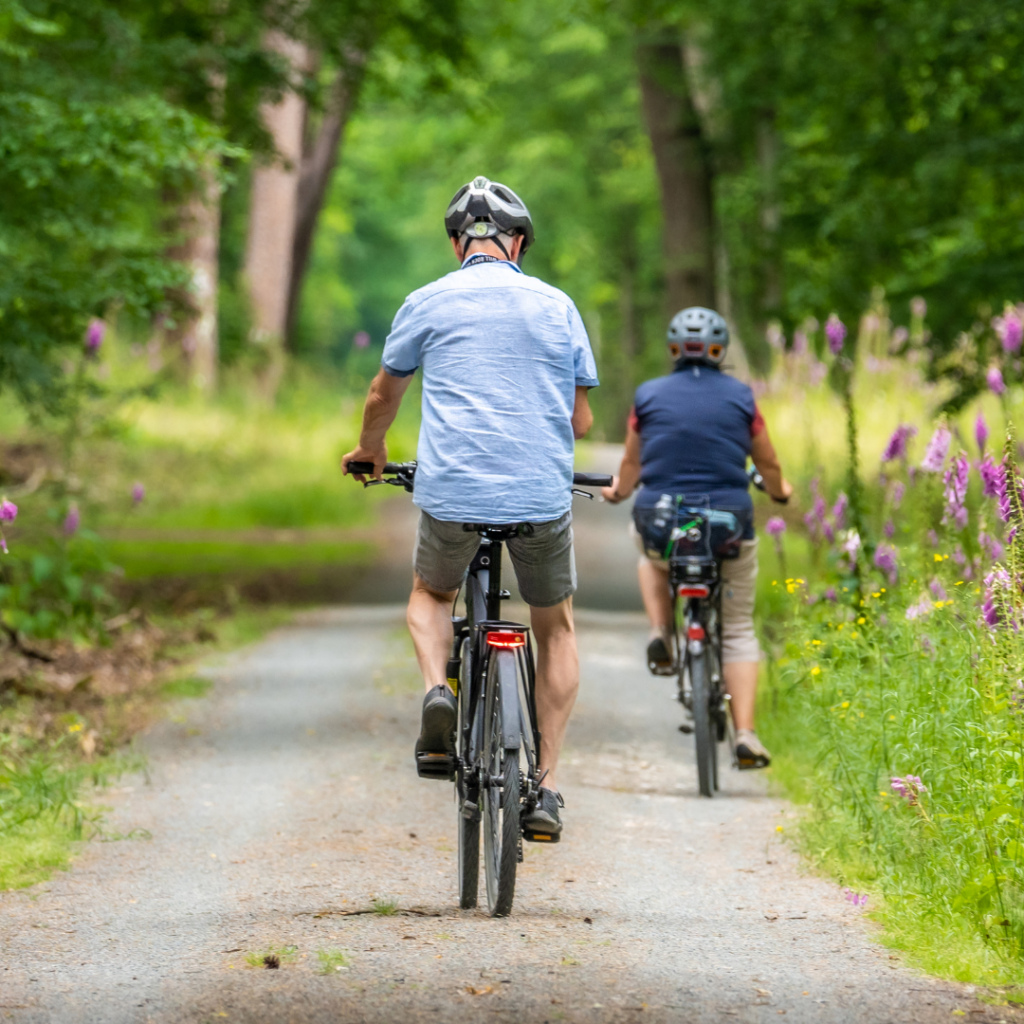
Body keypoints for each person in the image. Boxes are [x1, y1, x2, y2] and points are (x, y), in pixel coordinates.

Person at [342, 176, 599, 839]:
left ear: (459, 243)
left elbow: (382, 394)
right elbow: (582, 417)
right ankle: (545, 788)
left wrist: (372, 450)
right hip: (541, 495)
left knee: (430, 594)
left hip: (453, 491)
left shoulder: (426, 301)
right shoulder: (557, 305)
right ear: (518, 243)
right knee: (557, 626)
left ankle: (437, 690)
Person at [602, 307, 792, 769]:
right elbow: (766, 463)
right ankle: (745, 733)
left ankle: (661, 631)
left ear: (673, 349)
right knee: (740, 628)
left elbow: (631, 465)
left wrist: (619, 492)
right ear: (719, 349)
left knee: (648, 553)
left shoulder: (647, 396)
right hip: (728, 524)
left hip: (662, 522)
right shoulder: (743, 397)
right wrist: (781, 491)